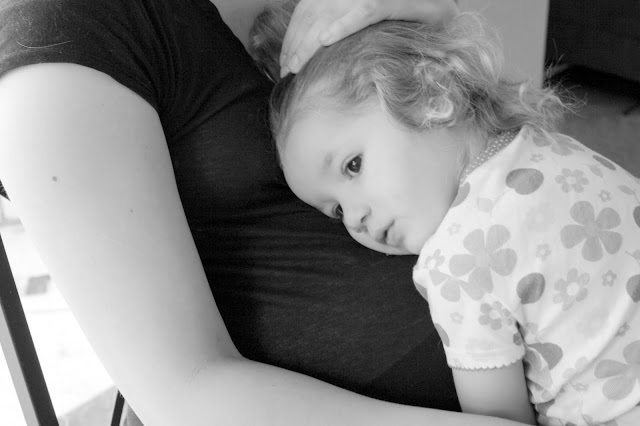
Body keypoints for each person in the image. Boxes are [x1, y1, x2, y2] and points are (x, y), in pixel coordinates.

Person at [0, 0, 530, 425]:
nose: (355, 222)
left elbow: (479, 140)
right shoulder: (59, 42)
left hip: (548, 327)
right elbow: (182, 396)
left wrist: (435, 19)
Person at [250, 3, 640, 425]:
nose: (353, 220)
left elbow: (497, 419)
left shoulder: (456, 264)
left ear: (430, 95)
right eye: (336, 209)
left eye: (353, 166)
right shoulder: (546, 145)